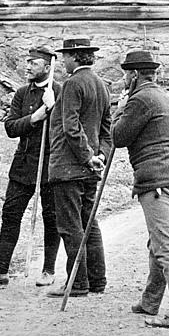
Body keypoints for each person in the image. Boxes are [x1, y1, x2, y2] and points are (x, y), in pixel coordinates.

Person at [111, 49, 169, 329]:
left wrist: (120, 109)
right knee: (157, 243)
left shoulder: (140, 99)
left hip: (157, 184)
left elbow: (119, 137)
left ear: (135, 75)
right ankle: (150, 301)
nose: (124, 79)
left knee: (166, 247)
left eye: (126, 74)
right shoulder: (165, 98)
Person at [0, 46, 62, 287]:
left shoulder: (59, 92)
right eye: (28, 62)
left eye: (33, 63)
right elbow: (11, 127)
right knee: (10, 214)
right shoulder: (22, 93)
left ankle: (48, 271)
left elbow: (66, 125)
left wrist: (53, 107)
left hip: (50, 166)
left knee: (52, 218)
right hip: (23, 166)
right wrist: (36, 117)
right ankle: (1, 271)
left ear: (47, 67)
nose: (28, 67)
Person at [46, 38, 110, 298]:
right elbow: (106, 128)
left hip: (69, 168)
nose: (63, 61)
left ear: (75, 57)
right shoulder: (101, 84)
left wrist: (87, 157)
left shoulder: (72, 84)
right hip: (90, 169)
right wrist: (100, 155)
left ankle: (78, 283)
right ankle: (97, 280)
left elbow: (71, 128)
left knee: (70, 226)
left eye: (66, 56)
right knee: (89, 223)